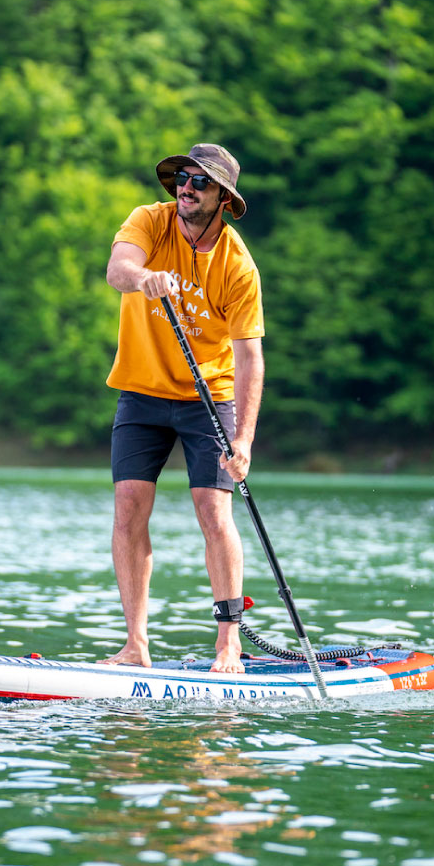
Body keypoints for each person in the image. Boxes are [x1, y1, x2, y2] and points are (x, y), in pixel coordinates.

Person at [100, 143, 264, 675]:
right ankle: (135, 646)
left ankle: (228, 645)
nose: (186, 188)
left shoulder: (237, 266)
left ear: (223, 198)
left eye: (200, 182)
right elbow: (118, 268)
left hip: (208, 398)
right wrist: (143, 278)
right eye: (182, 179)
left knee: (213, 513)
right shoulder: (150, 220)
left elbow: (249, 358)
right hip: (142, 391)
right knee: (128, 506)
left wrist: (243, 442)